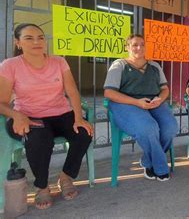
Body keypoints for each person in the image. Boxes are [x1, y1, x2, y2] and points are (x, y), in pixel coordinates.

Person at [0, 23, 93, 210]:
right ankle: (42, 186)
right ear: (18, 43)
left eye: (40, 37)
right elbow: (1, 102)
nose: (37, 42)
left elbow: (72, 91)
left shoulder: (59, 61)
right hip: (28, 115)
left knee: (84, 132)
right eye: (29, 38)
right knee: (39, 140)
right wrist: (16, 115)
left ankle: (66, 176)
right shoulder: (10, 65)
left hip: (60, 113)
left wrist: (78, 117)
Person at [104, 34, 178, 181]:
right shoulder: (119, 65)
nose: (139, 47)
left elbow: (165, 89)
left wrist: (160, 99)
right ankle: (161, 168)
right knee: (149, 127)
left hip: (153, 102)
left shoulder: (155, 66)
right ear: (127, 47)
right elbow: (109, 92)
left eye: (142, 44)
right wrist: (137, 102)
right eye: (135, 45)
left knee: (170, 127)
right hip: (126, 103)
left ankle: (147, 161)